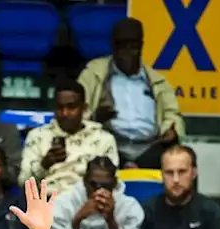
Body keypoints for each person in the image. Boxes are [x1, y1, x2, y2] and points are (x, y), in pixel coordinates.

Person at [78, 17, 184, 167]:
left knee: (184, 162)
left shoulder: (157, 81)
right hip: (108, 143)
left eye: (132, 47)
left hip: (150, 147)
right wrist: (95, 117)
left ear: (141, 47)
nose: (126, 52)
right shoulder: (93, 74)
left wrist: (171, 131)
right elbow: (76, 112)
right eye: (121, 47)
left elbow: (172, 114)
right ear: (113, 47)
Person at [22, 80, 120, 196]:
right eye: (59, 107)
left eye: (71, 107)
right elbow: (23, 182)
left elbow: (110, 182)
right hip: (47, 200)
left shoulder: (104, 139)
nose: (65, 113)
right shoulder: (37, 136)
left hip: (88, 200)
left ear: (84, 108)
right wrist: (43, 165)